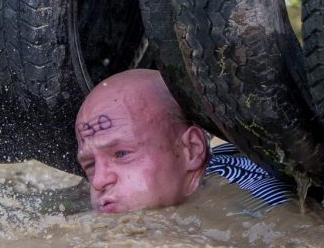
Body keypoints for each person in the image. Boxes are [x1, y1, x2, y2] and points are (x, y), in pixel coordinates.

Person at [75, 69, 294, 213]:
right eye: (91, 165)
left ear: (192, 149)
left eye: (121, 154)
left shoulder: (256, 202)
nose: (99, 182)